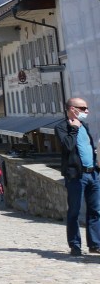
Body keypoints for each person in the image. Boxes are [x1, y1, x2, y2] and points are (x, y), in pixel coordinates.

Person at [56, 96, 97, 255]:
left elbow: (88, 147)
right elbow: (67, 145)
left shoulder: (85, 125)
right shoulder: (62, 127)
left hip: (92, 174)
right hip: (76, 175)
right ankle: (75, 245)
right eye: (83, 109)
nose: (87, 111)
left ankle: (95, 244)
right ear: (73, 109)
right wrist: (74, 129)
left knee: (95, 210)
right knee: (74, 211)